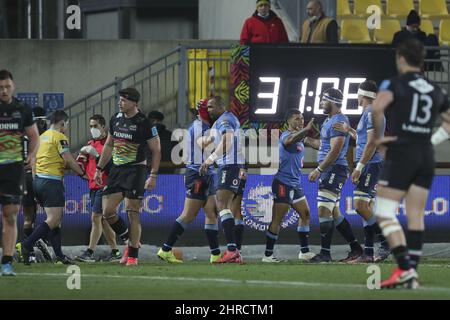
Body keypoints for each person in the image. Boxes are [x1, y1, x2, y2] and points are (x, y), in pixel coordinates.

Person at [372, 39, 450, 289]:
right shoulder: (435, 89)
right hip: (426, 155)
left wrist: (378, 138)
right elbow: (449, 123)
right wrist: (430, 138)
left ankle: (404, 266)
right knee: (416, 217)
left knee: (384, 212)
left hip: (402, 152)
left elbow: (377, 108)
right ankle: (411, 275)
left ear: (401, 59)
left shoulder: (394, 83)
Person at [94, 88, 161, 266]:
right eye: (119, 100)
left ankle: (133, 255)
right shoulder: (116, 118)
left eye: (123, 100)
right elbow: (109, 145)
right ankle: (130, 241)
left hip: (136, 171)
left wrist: (153, 175)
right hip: (117, 171)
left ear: (134, 103)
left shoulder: (145, 122)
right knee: (107, 212)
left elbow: (156, 150)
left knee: (133, 212)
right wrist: (99, 168)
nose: (119, 103)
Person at [332, 81, 390, 263]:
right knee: (368, 208)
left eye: (357, 94)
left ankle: (387, 242)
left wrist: (359, 167)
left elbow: (372, 143)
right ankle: (369, 252)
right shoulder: (369, 112)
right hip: (370, 163)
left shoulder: (372, 111)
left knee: (360, 206)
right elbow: (365, 139)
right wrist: (349, 130)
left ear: (362, 95)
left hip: (371, 164)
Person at [157, 99, 222, 263]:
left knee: (211, 213)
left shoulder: (203, 126)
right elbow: (205, 147)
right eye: (210, 109)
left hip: (206, 173)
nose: (213, 112)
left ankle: (215, 255)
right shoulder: (200, 127)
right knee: (188, 215)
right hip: (197, 174)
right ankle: (165, 249)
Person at [305, 88, 363, 263]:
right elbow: (323, 145)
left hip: (334, 169)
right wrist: (305, 139)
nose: (321, 103)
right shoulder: (329, 121)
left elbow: (335, 150)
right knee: (335, 213)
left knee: (323, 209)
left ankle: (325, 253)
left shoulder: (339, 120)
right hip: (331, 169)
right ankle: (356, 248)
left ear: (332, 102)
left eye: (323, 100)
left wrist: (319, 170)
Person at [21, 110, 85, 265]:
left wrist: (36, 183)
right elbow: (68, 159)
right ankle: (27, 245)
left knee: (56, 221)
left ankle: (60, 255)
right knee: (54, 219)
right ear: (62, 123)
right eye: (67, 125)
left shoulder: (41, 137)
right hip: (51, 182)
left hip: (38, 181)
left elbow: (35, 161)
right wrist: (83, 173)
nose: (67, 128)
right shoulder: (60, 137)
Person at [262, 109, 315, 263]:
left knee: (305, 214)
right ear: (289, 122)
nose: (301, 121)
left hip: (295, 184)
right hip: (282, 183)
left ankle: (304, 252)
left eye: (302, 119)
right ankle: (268, 255)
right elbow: (289, 141)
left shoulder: (301, 139)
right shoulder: (286, 136)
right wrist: (305, 130)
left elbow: (312, 142)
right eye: (297, 119)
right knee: (277, 219)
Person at [0, 69, 40, 276]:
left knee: (10, 214)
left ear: (13, 86)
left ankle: (6, 263)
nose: (4, 91)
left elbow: (34, 135)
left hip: (13, 170)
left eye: (7, 87)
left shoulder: (22, 109)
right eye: (1, 87)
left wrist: (32, 155)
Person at [199, 96, 245, 263]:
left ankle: (232, 250)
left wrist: (210, 160)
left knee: (222, 204)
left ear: (221, 106)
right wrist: (202, 118)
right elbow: (202, 143)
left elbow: (227, 142)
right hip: (237, 167)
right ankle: (236, 253)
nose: (209, 110)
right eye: (207, 108)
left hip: (230, 166)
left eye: (211, 107)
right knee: (233, 209)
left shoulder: (225, 119)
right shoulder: (219, 123)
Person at [75, 114, 121, 263]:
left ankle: (90, 252)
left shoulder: (110, 144)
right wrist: (81, 162)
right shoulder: (90, 144)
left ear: (103, 126)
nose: (92, 129)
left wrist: (96, 154)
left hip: (106, 186)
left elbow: (113, 164)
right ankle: (115, 251)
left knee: (96, 217)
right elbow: (81, 166)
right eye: (90, 126)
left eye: (95, 126)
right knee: (104, 221)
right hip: (94, 186)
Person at [16, 106, 53, 263]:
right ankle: (36, 242)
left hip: (22, 179)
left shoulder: (19, 136)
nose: (43, 124)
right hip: (37, 177)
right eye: (42, 121)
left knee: (29, 216)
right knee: (54, 215)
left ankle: (29, 252)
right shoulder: (40, 139)